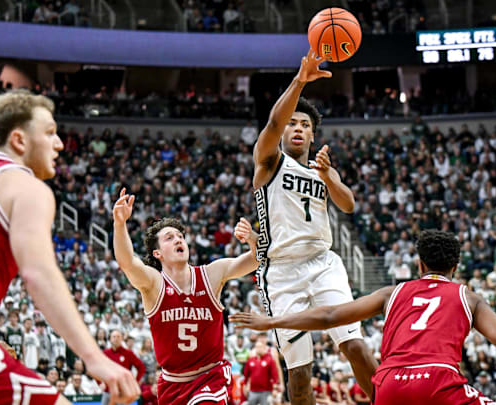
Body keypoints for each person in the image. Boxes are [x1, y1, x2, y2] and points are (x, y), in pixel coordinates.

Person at [0, 90, 139, 405]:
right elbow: (38, 274)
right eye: (49, 133)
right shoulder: (25, 186)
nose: (60, 143)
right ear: (19, 141)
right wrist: (94, 358)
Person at [231, 230, 496, 405]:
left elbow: (330, 315)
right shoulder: (467, 295)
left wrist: (271, 322)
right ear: (454, 268)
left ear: (419, 265)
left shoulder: (391, 293)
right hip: (438, 381)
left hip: (389, 385)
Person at [250, 49, 377, 403]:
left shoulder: (323, 170)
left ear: (312, 136)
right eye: (294, 122)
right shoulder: (269, 161)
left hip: (324, 263)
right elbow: (273, 124)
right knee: (300, 372)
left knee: (355, 346)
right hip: (282, 270)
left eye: (306, 125)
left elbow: (348, 204)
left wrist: (329, 177)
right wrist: (300, 80)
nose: (298, 128)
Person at [112, 188, 262, 404]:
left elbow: (256, 259)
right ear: (158, 253)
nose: (178, 240)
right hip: (172, 384)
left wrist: (252, 238)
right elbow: (127, 262)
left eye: (181, 236)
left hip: (210, 378)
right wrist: (119, 225)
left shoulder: (211, 274)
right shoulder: (154, 284)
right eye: (169, 238)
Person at [101, 329, 146, 405]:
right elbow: (98, 367)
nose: (116, 338)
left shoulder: (128, 353)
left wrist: (135, 382)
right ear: (110, 339)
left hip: (122, 391)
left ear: (122, 339)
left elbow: (141, 367)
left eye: (118, 337)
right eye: (114, 336)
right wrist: (99, 383)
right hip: (108, 390)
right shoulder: (105, 353)